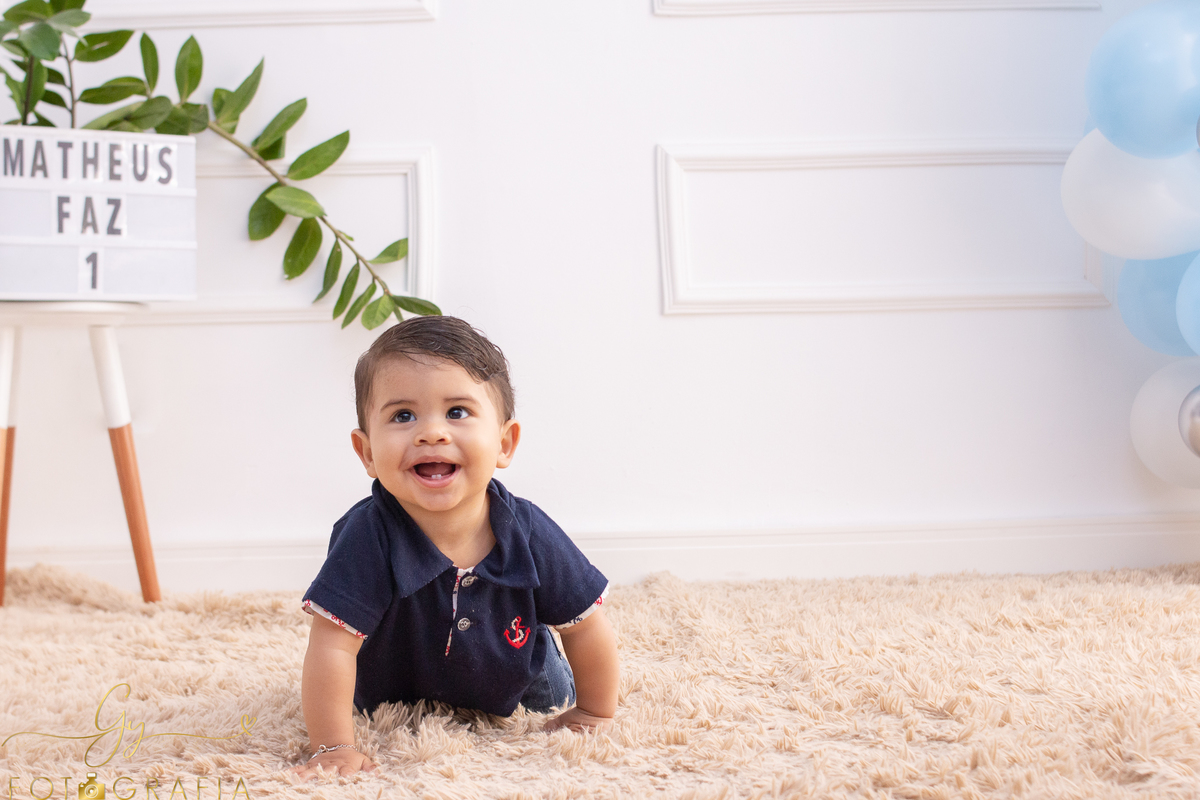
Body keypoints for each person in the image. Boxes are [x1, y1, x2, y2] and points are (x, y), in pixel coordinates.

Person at [293, 316, 619, 779]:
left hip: (520, 680)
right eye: (403, 416)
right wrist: (333, 746)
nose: (432, 433)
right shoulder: (366, 534)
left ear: (504, 443)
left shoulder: (528, 530)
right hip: (396, 683)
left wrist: (594, 711)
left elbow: (584, 626)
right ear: (367, 453)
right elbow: (332, 646)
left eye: (458, 412)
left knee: (554, 663)